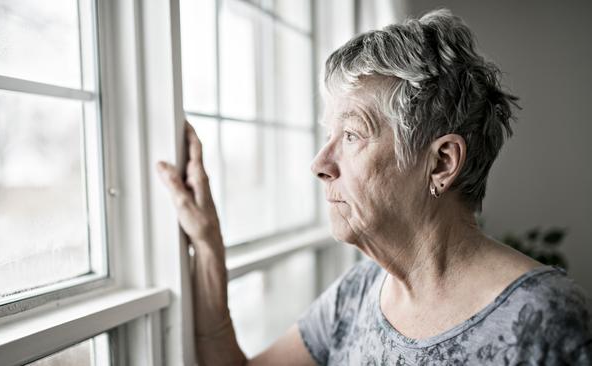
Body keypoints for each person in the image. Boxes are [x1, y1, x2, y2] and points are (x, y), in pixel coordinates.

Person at [156, 9, 592, 365]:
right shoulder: (359, 291)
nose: (319, 164)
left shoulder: (545, 320)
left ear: (441, 163)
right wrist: (209, 247)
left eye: (351, 135)